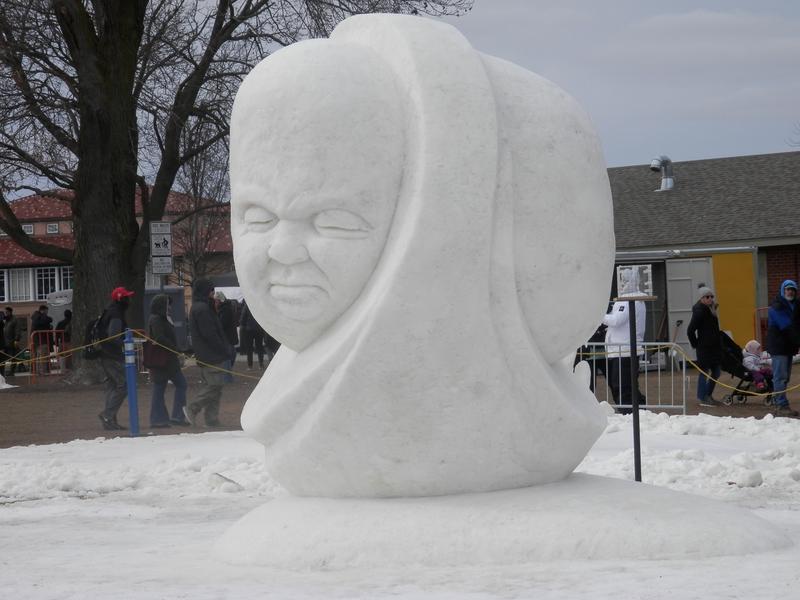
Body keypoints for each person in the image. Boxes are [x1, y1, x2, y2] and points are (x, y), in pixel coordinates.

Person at [186, 279, 231, 427]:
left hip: (209, 353)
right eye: (211, 290)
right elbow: (209, 333)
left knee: (216, 387)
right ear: (205, 291)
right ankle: (192, 408)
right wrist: (223, 348)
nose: (213, 293)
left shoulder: (202, 307)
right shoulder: (202, 309)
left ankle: (212, 418)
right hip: (210, 354)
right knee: (214, 385)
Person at [147, 294, 189, 428]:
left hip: (167, 360)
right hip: (163, 360)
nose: (169, 307)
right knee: (164, 387)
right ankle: (165, 418)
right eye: (167, 305)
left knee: (163, 387)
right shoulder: (156, 319)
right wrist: (175, 349)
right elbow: (159, 337)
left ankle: (166, 417)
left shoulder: (162, 318)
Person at [97, 286, 135, 430]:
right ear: (121, 299)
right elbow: (113, 336)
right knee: (124, 385)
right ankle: (107, 415)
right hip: (112, 355)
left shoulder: (109, 311)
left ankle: (110, 420)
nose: (129, 300)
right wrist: (127, 345)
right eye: (127, 297)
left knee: (113, 386)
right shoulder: (116, 314)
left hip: (105, 354)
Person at [602, 296, 646, 414]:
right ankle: (638, 410)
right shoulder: (634, 301)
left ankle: (629, 412)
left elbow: (616, 320)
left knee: (622, 385)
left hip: (624, 351)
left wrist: (598, 316)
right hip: (621, 350)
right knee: (625, 384)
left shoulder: (627, 302)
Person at [766, 279, 799, 417]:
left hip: (788, 347)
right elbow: (787, 327)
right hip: (778, 347)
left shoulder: (795, 305)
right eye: (788, 289)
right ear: (783, 290)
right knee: (780, 377)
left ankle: (779, 402)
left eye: (793, 289)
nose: (790, 292)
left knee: (785, 377)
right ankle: (781, 405)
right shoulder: (777, 306)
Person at [686, 286, 723, 407]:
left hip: (714, 347)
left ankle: (708, 394)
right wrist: (696, 344)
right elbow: (690, 330)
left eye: (712, 296)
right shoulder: (699, 311)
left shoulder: (711, 310)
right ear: (702, 298)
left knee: (716, 372)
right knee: (704, 372)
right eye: (707, 297)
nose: (710, 299)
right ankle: (703, 397)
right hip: (704, 348)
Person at [214, 291, 239, 382]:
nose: (215, 303)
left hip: (227, 337)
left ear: (219, 300)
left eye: (216, 301)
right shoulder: (227, 307)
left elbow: (222, 324)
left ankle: (226, 377)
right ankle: (227, 375)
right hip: (229, 336)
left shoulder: (224, 309)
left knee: (228, 356)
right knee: (231, 355)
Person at [239, 299, 267, 370]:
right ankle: (261, 364)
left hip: (249, 329)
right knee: (259, 347)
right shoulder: (260, 304)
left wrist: (242, 324)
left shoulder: (248, 305)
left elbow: (243, 317)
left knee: (249, 348)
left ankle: (250, 366)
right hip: (259, 329)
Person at [30, 305, 54, 374]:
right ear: (43, 310)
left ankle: (39, 371)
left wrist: (48, 326)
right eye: (46, 311)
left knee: (39, 356)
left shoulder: (37, 317)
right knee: (42, 355)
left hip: (38, 339)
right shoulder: (39, 317)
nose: (47, 313)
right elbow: (48, 319)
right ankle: (42, 371)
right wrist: (48, 322)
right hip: (41, 339)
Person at [2, 307, 20, 376]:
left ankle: (12, 371)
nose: (6, 314)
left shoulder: (14, 320)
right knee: (2, 357)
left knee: (13, 357)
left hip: (11, 342)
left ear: (10, 312)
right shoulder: (4, 320)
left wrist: (16, 339)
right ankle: (2, 372)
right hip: (4, 343)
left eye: (7, 312)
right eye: (5, 312)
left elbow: (17, 330)